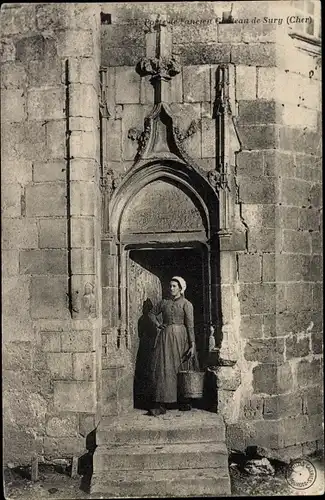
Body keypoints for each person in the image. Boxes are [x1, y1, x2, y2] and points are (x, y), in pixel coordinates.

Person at [148, 276, 199, 416]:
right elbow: (151, 314)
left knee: (180, 367)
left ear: (181, 289)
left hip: (181, 338)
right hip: (165, 340)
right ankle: (162, 403)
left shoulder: (186, 304)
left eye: (174, 286)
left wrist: (192, 344)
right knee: (164, 368)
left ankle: (184, 401)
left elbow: (190, 326)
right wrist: (158, 325)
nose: (171, 288)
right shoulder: (164, 303)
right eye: (170, 286)